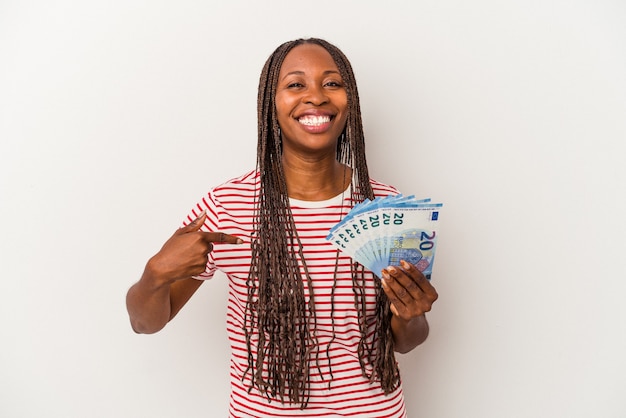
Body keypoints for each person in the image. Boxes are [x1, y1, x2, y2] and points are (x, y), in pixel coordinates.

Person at [126, 37, 438, 418]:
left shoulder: (387, 208)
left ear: (349, 101)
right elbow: (145, 324)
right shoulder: (227, 207)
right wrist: (155, 273)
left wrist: (412, 315)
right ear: (270, 105)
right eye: (295, 84)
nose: (316, 97)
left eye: (332, 83)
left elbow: (406, 342)